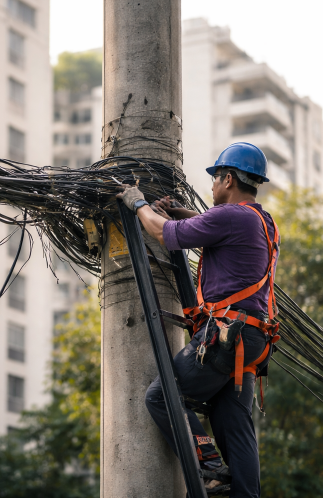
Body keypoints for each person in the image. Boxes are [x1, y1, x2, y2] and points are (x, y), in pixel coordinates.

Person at [116, 142, 280, 498]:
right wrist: (179, 211)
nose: (212, 187)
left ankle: (207, 467)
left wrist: (138, 202)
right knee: (234, 423)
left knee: (162, 397)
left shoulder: (231, 217)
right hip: (252, 342)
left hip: (226, 336)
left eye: (216, 179)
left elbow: (164, 235)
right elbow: (212, 226)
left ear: (228, 178)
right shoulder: (262, 222)